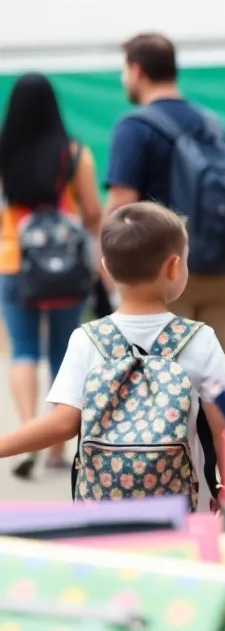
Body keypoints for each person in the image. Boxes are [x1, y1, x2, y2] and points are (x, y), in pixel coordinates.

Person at [0, 203, 225, 511]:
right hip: (184, 512)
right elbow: (224, 426)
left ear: (106, 268)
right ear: (174, 266)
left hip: (103, 514)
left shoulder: (86, 340)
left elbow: (61, 424)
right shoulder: (200, 339)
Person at [106, 33, 225, 351]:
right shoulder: (212, 123)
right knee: (213, 378)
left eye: (124, 69)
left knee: (167, 377)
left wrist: (106, 263)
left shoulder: (134, 127)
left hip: (161, 269)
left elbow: (121, 202)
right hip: (219, 265)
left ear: (137, 70)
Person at [0, 74, 103, 479]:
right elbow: (93, 213)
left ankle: (28, 435)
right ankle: (57, 447)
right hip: (66, 268)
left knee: (23, 350)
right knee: (64, 351)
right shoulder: (75, 153)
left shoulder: (4, 152)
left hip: (13, 262)